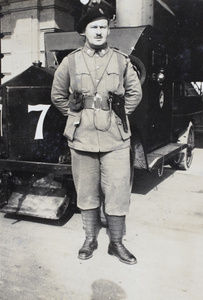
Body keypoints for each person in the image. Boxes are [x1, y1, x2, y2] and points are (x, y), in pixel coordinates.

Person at [51, 3, 142, 265]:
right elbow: (57, 94)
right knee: (87, 192)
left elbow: (135, 93)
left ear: (108, 30)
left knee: (117, 191)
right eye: (94, 27)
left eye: (103, 27)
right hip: (82, 137)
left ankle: (116, 243)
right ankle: (90, 239)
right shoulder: (71, 61)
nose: (100, 32)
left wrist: (121, 115)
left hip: (115, 138)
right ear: (84, 31)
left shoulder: (121, 60)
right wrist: (74, 113)